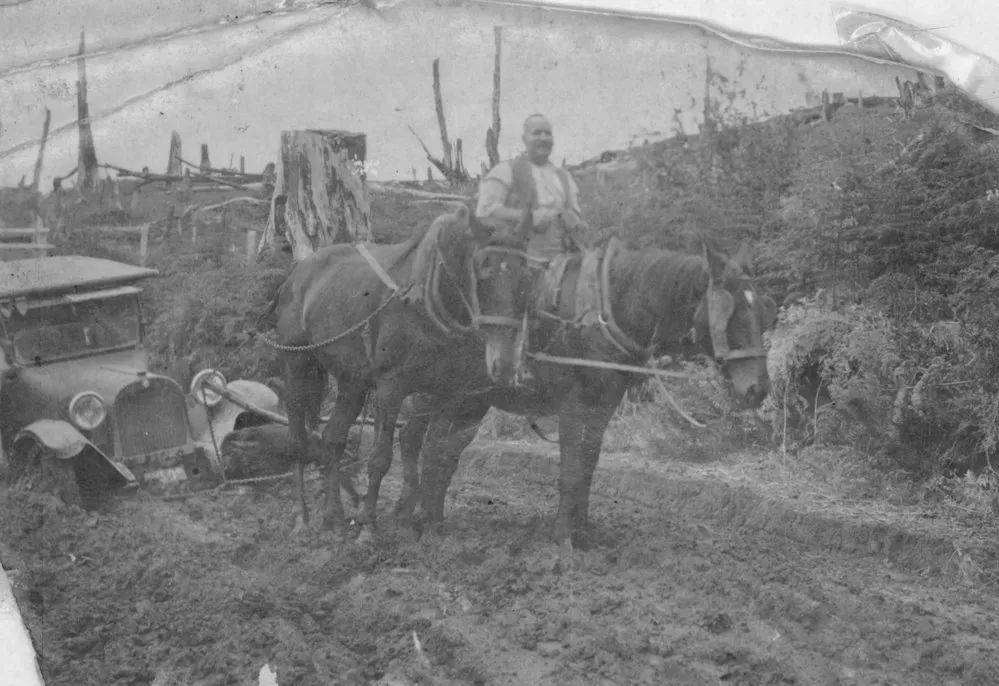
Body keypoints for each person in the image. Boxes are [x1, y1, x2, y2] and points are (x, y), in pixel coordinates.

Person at [475, 113, 589, 261]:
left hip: (564, 256)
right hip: (518, 257)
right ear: (525, 139)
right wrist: (528, 217)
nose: (543, 138)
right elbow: (486, 212)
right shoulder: (506, 170)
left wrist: (575, 221)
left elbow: (576, 215)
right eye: (536, 133)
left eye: (548, 134)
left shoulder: (564, 177)